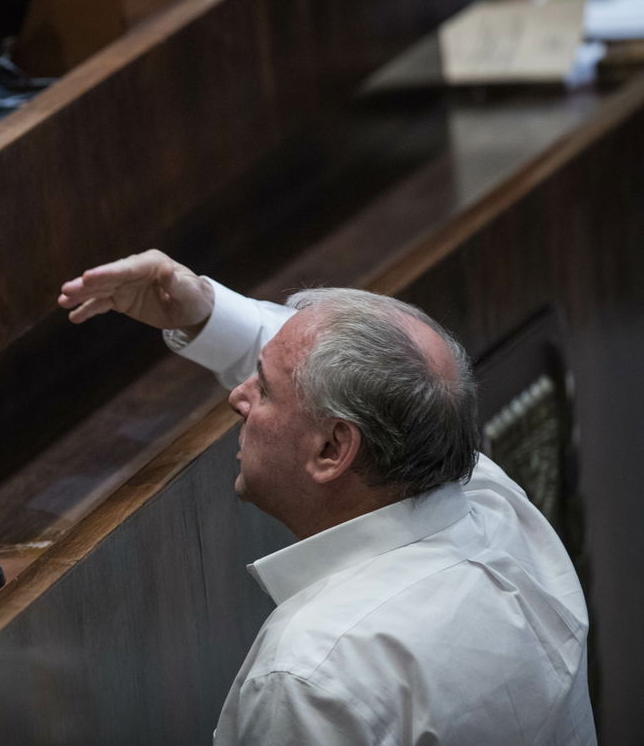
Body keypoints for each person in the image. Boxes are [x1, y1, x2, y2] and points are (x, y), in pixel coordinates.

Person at [58, 250, 595, 745]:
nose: (237, 397)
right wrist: (203, 312)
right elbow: (382, 374)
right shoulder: (498, 512)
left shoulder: (313, 675)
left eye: (262, 389)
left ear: (333, 449)